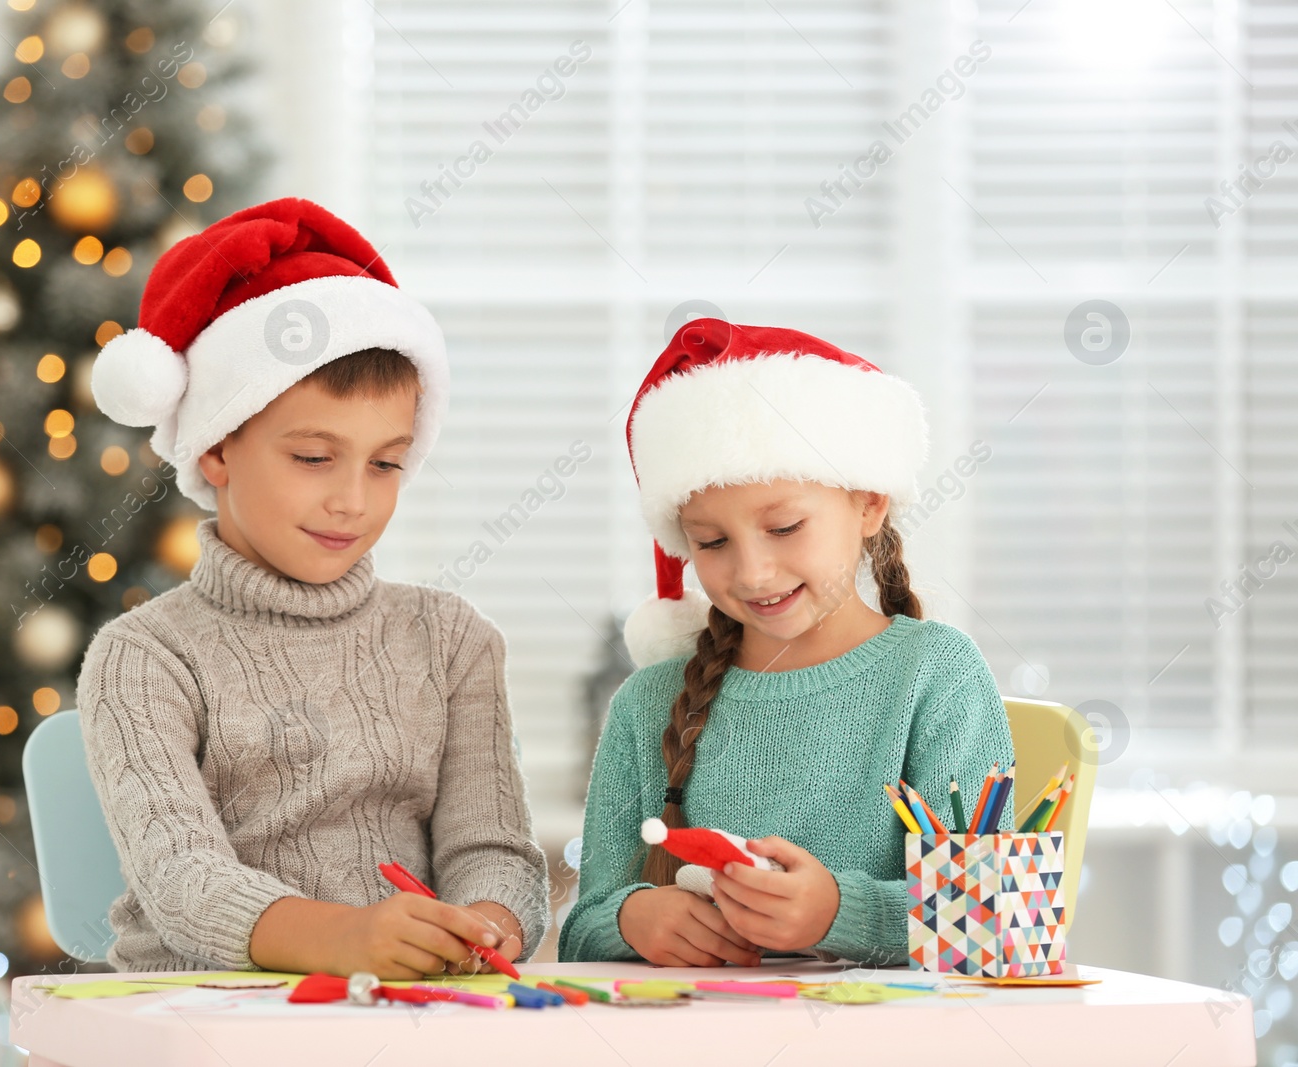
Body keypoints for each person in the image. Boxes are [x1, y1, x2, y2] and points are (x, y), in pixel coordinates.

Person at [76, 198, 549, 978]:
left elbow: (492, 846)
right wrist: (344, 940)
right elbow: (184, 880)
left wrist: (484, 923)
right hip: (202, 1010)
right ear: (218, 448)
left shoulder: (452, 639)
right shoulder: (144, 656)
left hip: (401, 1005)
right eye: (313, 457)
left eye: (386, 462)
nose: (353, 501)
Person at [558, 319, 1013, 967]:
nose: (751, 572)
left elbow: (991, 924)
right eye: (711, 541)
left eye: (785, 525)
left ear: (869, 504)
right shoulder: (649, 702)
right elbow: (583, 928)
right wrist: (633, 918)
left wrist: (838, 912)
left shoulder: (935, 674)